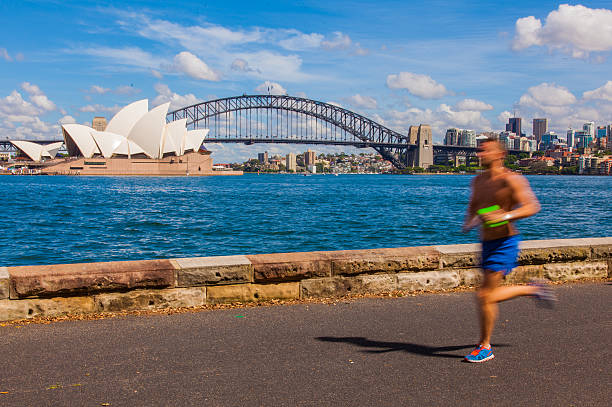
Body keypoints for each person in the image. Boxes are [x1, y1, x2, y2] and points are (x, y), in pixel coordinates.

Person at [462, 137, 556, 363]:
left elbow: (532, 206)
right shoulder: (477, 181)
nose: (480, 155)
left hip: (505, 242)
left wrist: (504, 215)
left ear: (500, 154)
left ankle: (485, 346)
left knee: (485, 295)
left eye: (485, 151)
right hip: (486, 242)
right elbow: (474, 205)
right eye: (479, 151)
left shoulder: (512, 180)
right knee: (486, 296)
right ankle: (532, 289)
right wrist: (470, 222)